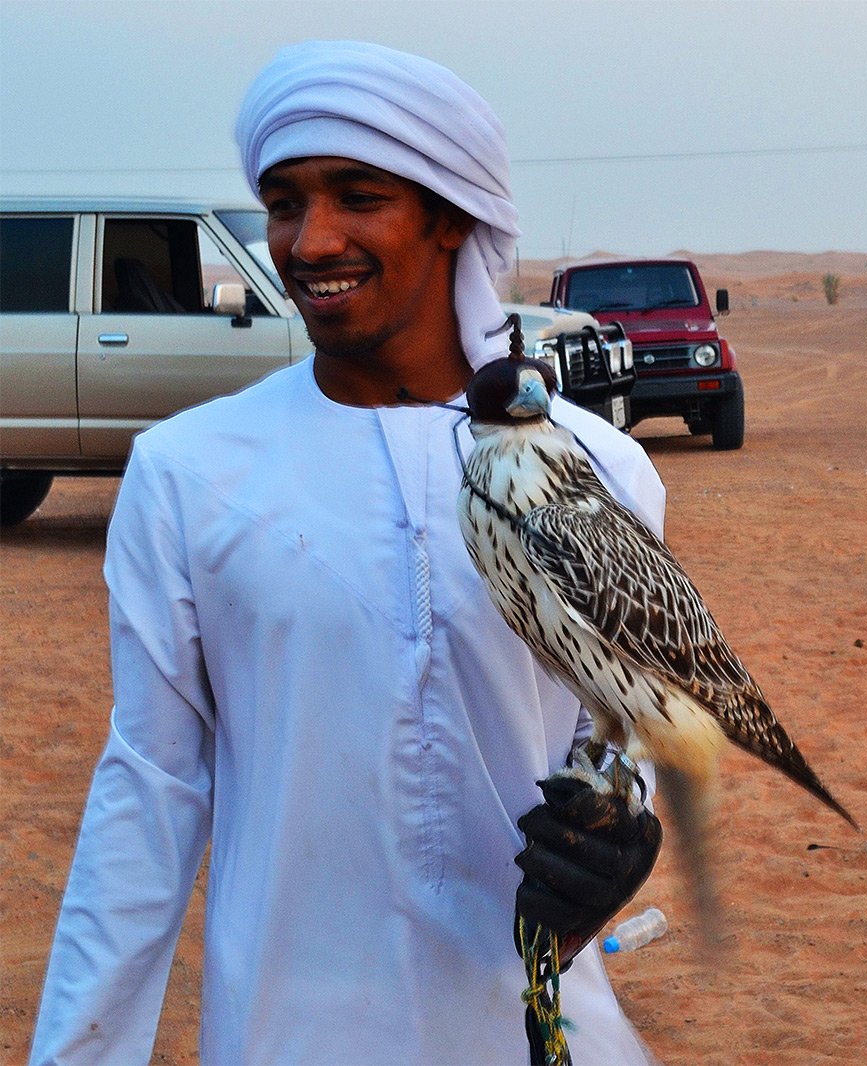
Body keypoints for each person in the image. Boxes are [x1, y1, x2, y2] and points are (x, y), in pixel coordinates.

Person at [31, 41, 664, 1064]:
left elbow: (622, 743)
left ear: (451, 213)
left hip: (532, 1029)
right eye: (284, 204)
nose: (309, 240)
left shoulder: (607, 474)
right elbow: (147, 792)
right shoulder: (190, 472)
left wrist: (623, 836)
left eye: (356, 197)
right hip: (288, 1026)